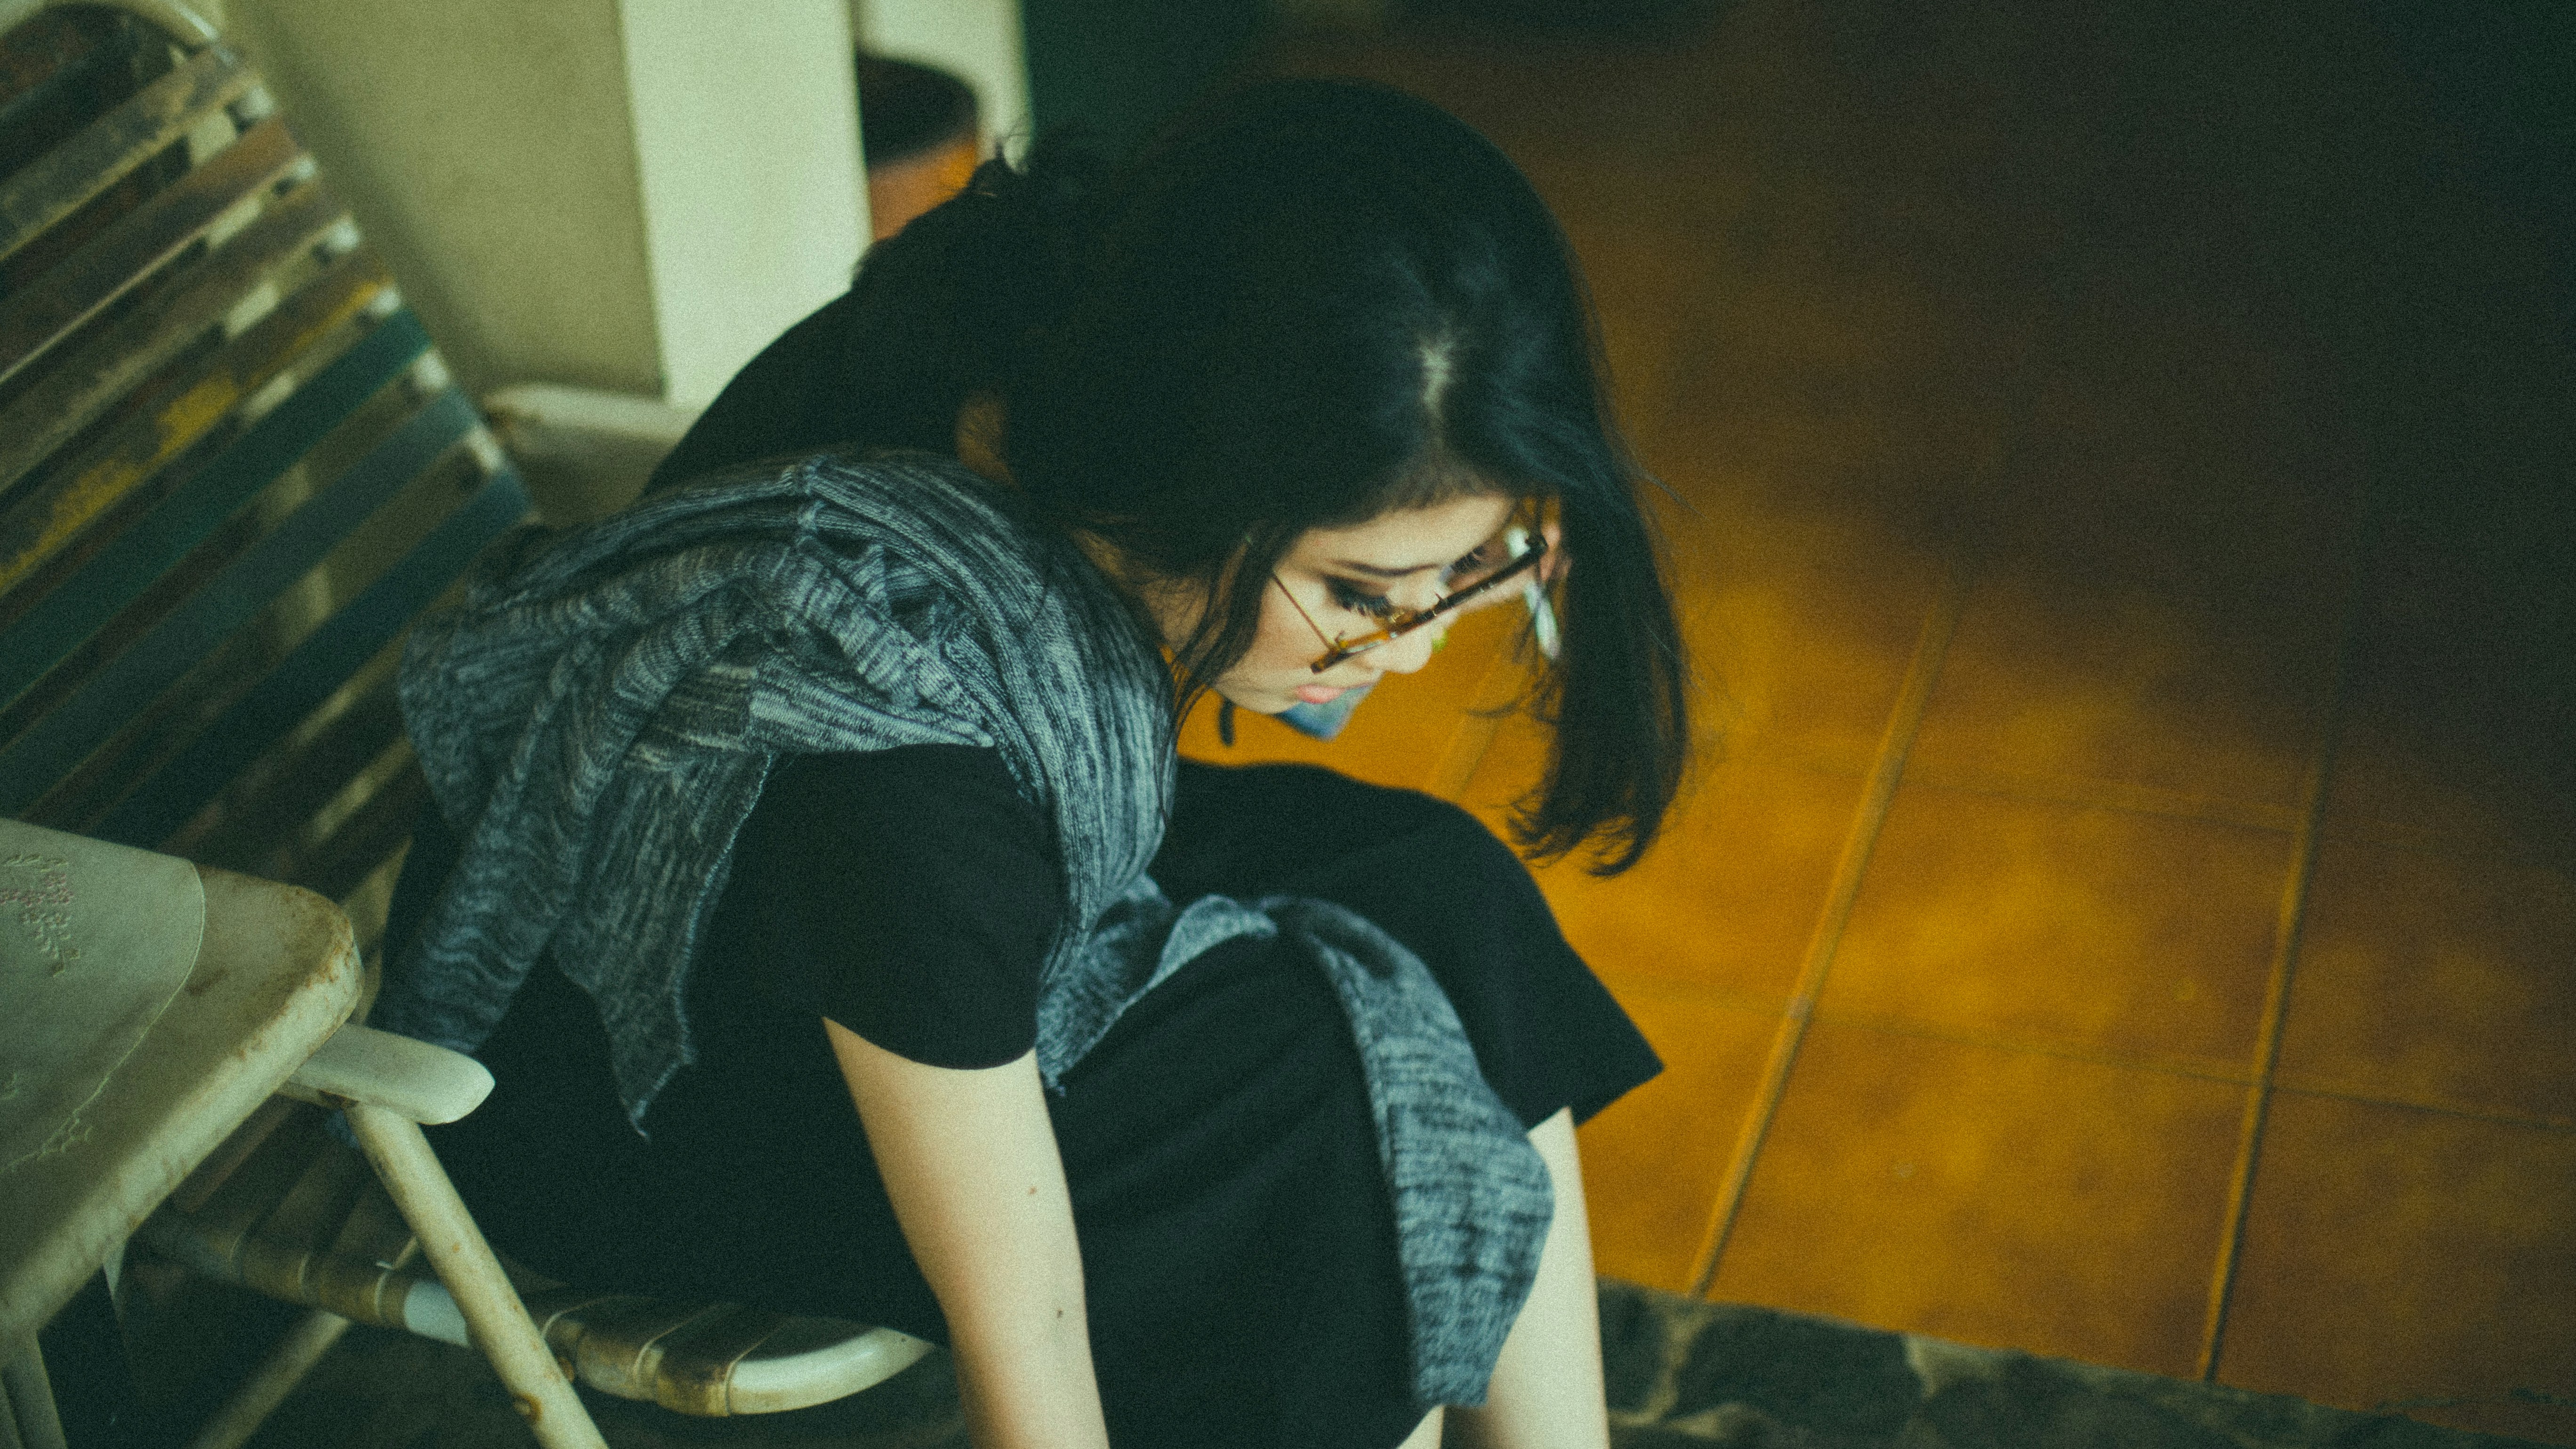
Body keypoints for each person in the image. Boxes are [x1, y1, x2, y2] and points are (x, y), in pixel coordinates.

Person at [378, 78, 1690, 1449]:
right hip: (645, 1107)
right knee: (1304, 1122)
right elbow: (1034, 1349)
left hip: (896, 907)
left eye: (1467, 575)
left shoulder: (1067, 331)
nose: (1408, 655)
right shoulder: (897, 750)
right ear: (1189, 493)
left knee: (1442, 887)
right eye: (1366, 594)